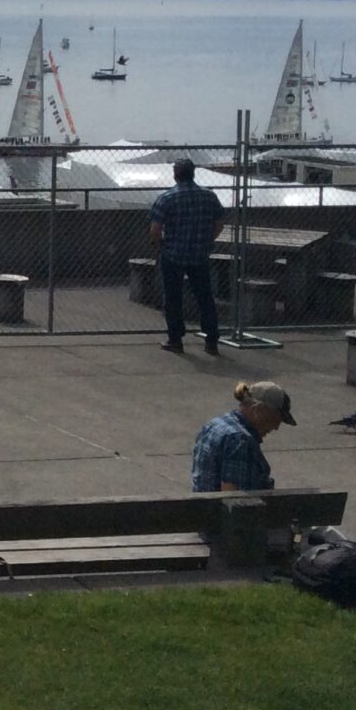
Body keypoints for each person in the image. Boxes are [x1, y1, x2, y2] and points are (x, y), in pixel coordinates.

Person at [149, 158, 225, 356]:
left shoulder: (167, 198)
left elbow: (155, 230)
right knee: (205, 298)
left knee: (173, 298)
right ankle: (211, 340)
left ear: (175, 175)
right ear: (193, 173)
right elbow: (219, 224)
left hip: (173, 254)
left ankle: (176, 340)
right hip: (199, 254)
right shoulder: (209, 196)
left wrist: (161, 246)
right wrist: (207, 240)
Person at [189, 380, 293, 493]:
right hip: (220, 504)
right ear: (259, 409)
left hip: (202, 502)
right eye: (275, 419)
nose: (276, 427)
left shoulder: (214, 425)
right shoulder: (239, 440)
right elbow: (232, 496)